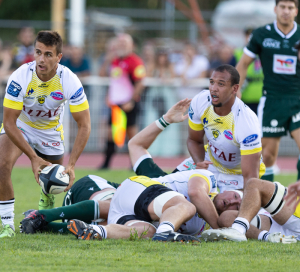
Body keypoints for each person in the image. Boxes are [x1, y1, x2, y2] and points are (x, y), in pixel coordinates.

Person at [20, 99, 243, 240]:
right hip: (94, 189)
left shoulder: (176, 191)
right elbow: (135, 145)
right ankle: (42, 215)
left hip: (131, 211)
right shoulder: (182, 180)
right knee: (112, 198)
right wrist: (165, 120)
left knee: (144, 230)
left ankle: (53, 228)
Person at [0, 31, 91, 238]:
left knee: (52, 183)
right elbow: (9, 122)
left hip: (51, 132)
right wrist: (33, 157)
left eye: (48, 54)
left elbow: (84, 125)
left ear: (59, 57)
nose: (41, 59)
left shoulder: (69, 80)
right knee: (1, 164)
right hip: (21, 125)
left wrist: (72, 164)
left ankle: (43, 211)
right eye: (38, 52)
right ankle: (7, 225)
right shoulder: (20, 77)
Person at [236, 0, 300, 182]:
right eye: (283, 7)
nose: (286, 11)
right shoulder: (261, 35)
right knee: (268, 155)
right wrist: (236, 88)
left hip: (297, 99)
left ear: (296, 11)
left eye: (290, 8)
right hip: (272, 100)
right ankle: (270, 201)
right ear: (275, 9)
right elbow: (244, 63)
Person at [177, 64, 265, 193]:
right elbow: (194, 140)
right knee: (166, 189)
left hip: (237, 174)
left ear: (234, 89)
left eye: (221, 84)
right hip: (210, 161)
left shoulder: (247, 121)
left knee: (225, 210)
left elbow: (250, 178)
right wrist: (200, 163)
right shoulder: (200, 100)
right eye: (212, 82)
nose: (213, 88)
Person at [99, 33, 146, 170]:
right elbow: (105, 76)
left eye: (124, 44)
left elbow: (140, 83)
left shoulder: (135, 61)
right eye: (119, 44)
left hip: (129, 103)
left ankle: (135, 164)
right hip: (116, 104)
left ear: (131, 46)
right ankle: (106, 163)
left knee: (132, 135)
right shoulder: (114, 61)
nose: (121, 46)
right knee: (110, 133)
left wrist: (131, 100)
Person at [201, 178, 299, 244]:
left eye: (237, 197)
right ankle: (241, 231)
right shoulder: (259, 214)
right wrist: (265, 237)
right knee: (226, 217)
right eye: (237, 206)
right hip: (288, 234)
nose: (232, 202)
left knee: (253, 183)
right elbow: (226, 218)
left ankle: (237, 230)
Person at [234, 29, 264, 114]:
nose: (249, 38)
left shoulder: (264, 53)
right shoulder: (238, 53)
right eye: (247, 35)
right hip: (245, 98)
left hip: (263, 98)